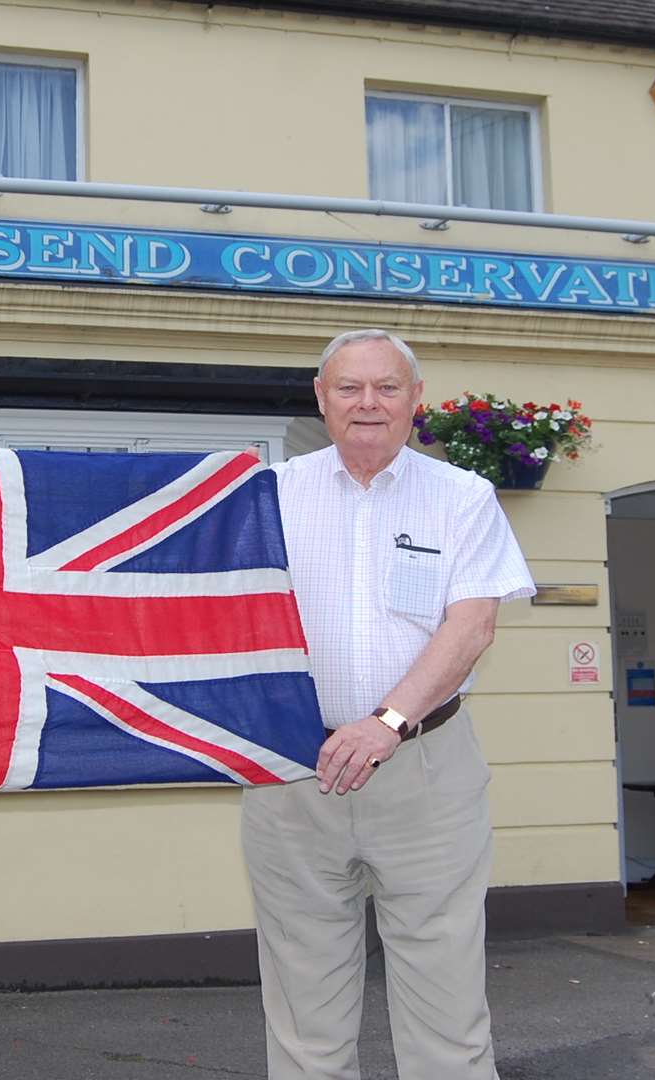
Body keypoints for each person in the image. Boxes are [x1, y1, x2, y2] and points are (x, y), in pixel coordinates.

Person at [243, 328, 534, 1080]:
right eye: (349, 387)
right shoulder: (264, 496)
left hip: (426, 765)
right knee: (303, 999)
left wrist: (387, 723)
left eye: (386, 387)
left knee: (445, 999)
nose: (367, 403)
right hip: (292, 772)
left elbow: (473, 625)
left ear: (415, 401)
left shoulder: (462, 498)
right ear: (320, 399)